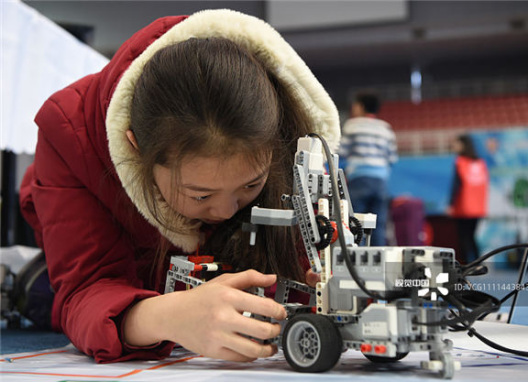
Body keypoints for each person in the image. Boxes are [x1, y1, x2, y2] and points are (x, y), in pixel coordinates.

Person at [18, 9, 340, 363]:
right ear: (134, 147)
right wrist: (168, 316)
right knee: (43, 297)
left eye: (251, 185)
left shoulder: (294, 142)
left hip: (204, 275)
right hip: (102, 272)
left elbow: (304, 261)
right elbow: (85, 290)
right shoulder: (69, 132)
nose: (224, 211)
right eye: (200, 194)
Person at [338, 91, 398, 246]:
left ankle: (358, 264)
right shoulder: (386, 128)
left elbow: (341, 153)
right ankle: (380, 264)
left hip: (359, 179)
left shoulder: (352, 125)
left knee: (356, 223)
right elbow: (392, 158)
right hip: (381, 181)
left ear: (361, 106)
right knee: (379, 225)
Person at [447, 134, 489, 264]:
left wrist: (450, 204)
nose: (453, 146)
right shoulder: (480, 163)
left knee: (464, 238)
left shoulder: (460, 162)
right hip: (478, 207)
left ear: (463, 145)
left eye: (456, 143)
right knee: (472, 237)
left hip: (464, 207)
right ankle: (478, 263)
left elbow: (456, 185)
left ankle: (465, 265)